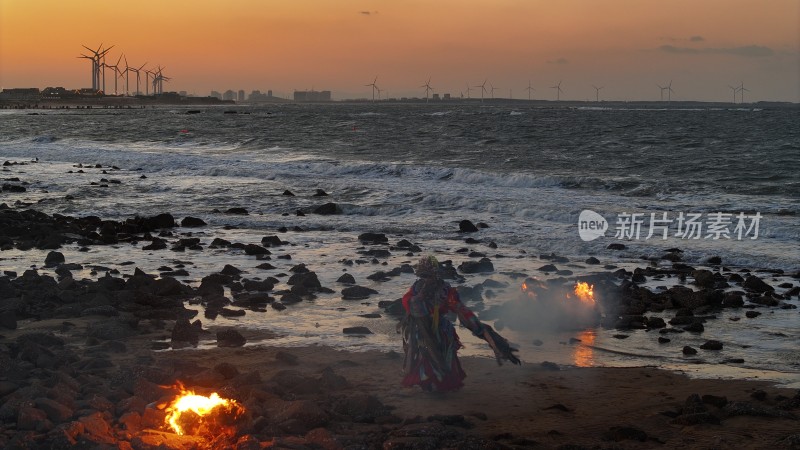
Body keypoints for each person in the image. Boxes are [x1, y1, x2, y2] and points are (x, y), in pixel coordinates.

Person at [398, 255, 520, 392]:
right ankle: (429, 384)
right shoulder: (415, 289)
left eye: (428, 275)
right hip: (421, 331)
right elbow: (409, 305)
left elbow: (462, 311)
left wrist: (490, 339)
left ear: (436, 274)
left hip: (441, 331)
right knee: (425, 357)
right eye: (423, 276)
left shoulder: (446, 291)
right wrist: (417, 299)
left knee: (445, 357)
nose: (426, 279)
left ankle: (441, 384)